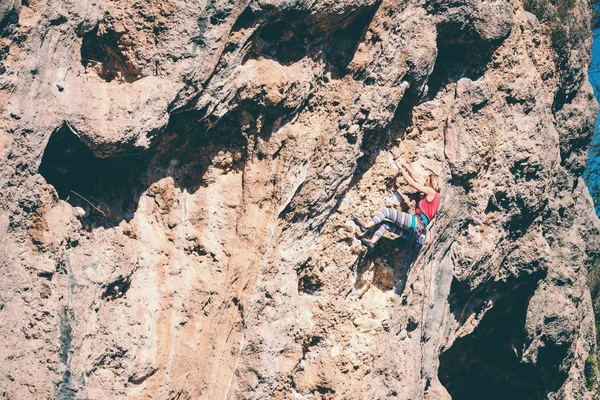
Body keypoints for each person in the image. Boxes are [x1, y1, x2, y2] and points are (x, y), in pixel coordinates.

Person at [354, 160, 441, 249]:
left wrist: (400, 168)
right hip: (416, 233)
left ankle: (366, 226)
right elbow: (417, 179)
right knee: (386, 225)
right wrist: (406, 166)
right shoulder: (436, 198)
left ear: (432, 182)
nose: (425, 182)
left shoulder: (431, 191)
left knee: (386, 211)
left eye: (427, 181)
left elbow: (411, 182)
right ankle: (372, 242)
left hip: (415, 222)